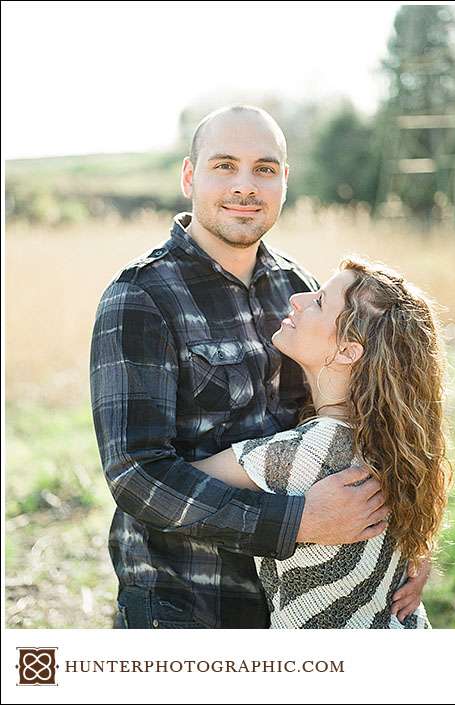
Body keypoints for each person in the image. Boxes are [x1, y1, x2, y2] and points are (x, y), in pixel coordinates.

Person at [90, 105, 427, 629]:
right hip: (185, 597)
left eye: (264, 169)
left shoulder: (297, 289)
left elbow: (368, 417)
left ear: (284, 181)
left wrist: (407, 540)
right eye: (224, 165)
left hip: (296, 598)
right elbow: (136, 475)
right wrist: (297, 521)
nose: (245, 186)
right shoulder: (140, 297)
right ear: (189, 176)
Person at [192, 259, 448, 628]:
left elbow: (168, 485)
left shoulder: (300, 454)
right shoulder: (395, 442)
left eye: (320, 302)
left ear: (347, 351)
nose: (297, 298)